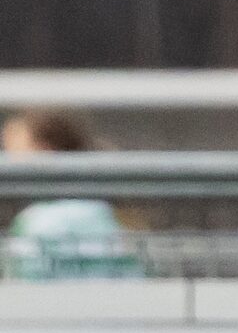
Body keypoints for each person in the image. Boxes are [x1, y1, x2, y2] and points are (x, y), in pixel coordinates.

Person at [3, 111, 145, 281]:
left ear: (44, 150)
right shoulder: (107, 213)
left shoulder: (37, 222)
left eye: (14, 150)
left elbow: (25, 283)